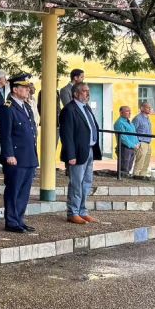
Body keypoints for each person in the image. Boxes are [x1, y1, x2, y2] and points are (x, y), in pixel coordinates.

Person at [0, 73, 38, 234]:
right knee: (14, 190)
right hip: (15, 157)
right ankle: (12, 221)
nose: (28, 90)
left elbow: (32, 132)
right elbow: (5, 134)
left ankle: (19, 219)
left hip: (28, 156)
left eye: (28, 87)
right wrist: (9, 154)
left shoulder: (26, 106)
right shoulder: (7, 108)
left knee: (24, 191)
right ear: (15, 89)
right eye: (24, 87)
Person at [59, 82, 102, 224]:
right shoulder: (69, 110)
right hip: (77, 153)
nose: (87, 93)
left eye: (88, 90)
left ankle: (83, 211)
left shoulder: (86, 107)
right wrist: (70, 155)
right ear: (76, 93)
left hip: (89, 150)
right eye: (84, 91)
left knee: (87, 183)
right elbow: (67, 135)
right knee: (76, 184)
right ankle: (73, 212)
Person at [114, 106, 139, 179]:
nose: (130, 113)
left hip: (132, 147)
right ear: (121, 113)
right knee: (124, 168)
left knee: (129, 167)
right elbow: (123, 138)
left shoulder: (129, 122)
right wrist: (133, 145)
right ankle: (122, 182)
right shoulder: (119, 123)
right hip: (125, 148)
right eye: (127, 111)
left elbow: (134, 134)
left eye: (130, 111)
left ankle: (126, 180)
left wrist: (137, 143)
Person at [133, 101, 153, 178]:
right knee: (140, 161)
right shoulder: (138, 118)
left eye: (150, 108)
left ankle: (142, 176)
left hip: (148, 142)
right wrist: (136, 143)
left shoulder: (147, 118)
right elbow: (132, 131)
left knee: (146, 162)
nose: (150, 109)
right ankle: (136, 176)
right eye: (148, 107)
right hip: (141, 142)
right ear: (142, 108)